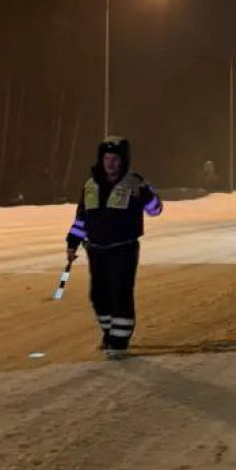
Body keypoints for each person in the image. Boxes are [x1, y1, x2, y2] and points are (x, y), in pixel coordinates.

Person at [65, 137, 163, 360]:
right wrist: (72, 242)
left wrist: (147, 193)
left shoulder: (133, 185)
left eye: (115, 159)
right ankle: (109, 333)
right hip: (96, 249)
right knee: (98, 296)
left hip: (123, 249)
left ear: (123, 161)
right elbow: (81, 218)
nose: (110, 164)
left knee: (120, 293)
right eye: (107, 159)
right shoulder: (90, 186)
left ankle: (119, 343)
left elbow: (156, 210)